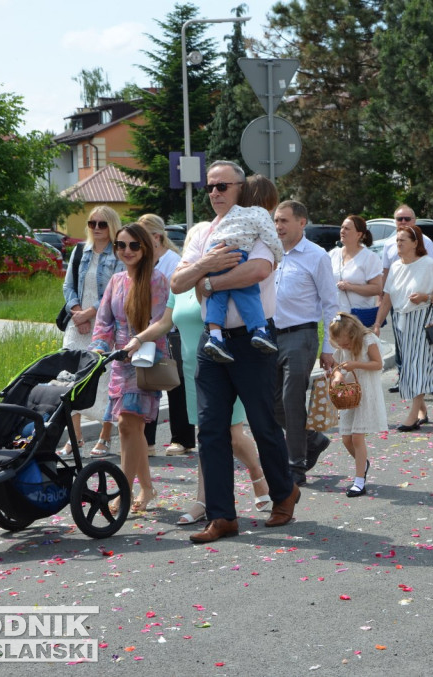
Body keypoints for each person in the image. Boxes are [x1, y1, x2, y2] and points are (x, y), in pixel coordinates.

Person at [171, 159, 300, 542]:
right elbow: (178, 282)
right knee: (209, 427)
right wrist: (206, 264)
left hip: (252, 339)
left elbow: (259, 270)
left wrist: (208, 282)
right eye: (210, 187)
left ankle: (283, 491)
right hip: (212, 343)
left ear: (240, 189)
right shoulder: (199, 233)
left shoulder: (255, 225)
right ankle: (222, 516)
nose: (214, 193)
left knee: (262, 423)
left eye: (223, 186)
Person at [170, 223, 270, 525]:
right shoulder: (185, 282)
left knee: (228, 433)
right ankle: (245, 484)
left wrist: (210, 277)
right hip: (190, 366)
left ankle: (222, 492)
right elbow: (166, 320)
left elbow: (224, 303)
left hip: (220, 359)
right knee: (211, 433)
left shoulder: (215, 283)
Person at [90, 223, 171, 513]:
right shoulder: (116, 281)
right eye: (121, 245)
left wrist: (135, 344)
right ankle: (147, 489)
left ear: (145, 248)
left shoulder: (158, 280)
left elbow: (160, 322)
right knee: (130, 430)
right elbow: (103, 321)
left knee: (127, 424)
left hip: (145, 359)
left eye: (134, 245)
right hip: (118, 362)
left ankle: (123, 493)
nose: (127, 251)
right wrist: (99, 347)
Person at [272, 200, 340, 485]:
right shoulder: (270, 253)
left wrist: (328, 349)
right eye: (276, 220)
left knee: (291, 399)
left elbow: (330, 305)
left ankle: (296, 464)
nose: (278, 226)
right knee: (271, 401)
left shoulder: (316, 256)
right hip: (269, 335)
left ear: (302, 222)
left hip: (301, 335)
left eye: (284, 221)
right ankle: (312, 439)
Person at [374, 224, 433, 431]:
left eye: (402, 240)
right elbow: (387, 299)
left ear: (414, 243)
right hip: (402, 323)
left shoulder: (428, 264)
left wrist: (425, 297)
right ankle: (422, 410)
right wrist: (377, 324)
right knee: (410, 367)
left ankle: (412, 417)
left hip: (424, 320)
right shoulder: (395, 267)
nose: (398, 244)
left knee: (417, 366)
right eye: (397, 241)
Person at [59, 206, 123, 458]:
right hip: (77, 324)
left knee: (105, 380)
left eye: (102, 224)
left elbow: (114, 292)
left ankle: (105, 436)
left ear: (112, 226)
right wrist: (77, 313)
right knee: (69, 377)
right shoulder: (78, 251)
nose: (96, 228)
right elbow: (68, 285)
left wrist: (89, 314)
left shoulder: (120, 254)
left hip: (106, 324)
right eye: (92, 223)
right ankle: (75, 437)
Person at [198, 181, 284, 363]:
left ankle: (215, 336)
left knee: (217, 297)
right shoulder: (260, 212)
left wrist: (209, 258)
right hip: (236, 252)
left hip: (215, 250)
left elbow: (216, 232)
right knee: (247, 291)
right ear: (269, 200)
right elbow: (271, 237)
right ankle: (260, 331)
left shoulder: (232, 211)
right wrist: (278, 256)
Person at [134, 213, 194, 457]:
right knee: (147, 383)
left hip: (170, 331)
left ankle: (182, 439)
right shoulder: (143, 261)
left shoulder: (173, 261)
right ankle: (147, 441)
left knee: (175, 383)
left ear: (156, 237)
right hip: (147, 329)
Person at [328, 312, 387, 497]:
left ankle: (359, 481)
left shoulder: (367, 339)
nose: (344, 347)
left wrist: (356, 365)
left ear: (353, 335)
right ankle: (363, 464)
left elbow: (378, 364)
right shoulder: (342, 346)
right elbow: (338, 368)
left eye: (345, 344)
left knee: (357, 437)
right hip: (351, 392)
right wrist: (337, 377)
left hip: (366, 391)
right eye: (341, 345)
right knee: (346, 439)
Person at [329, 215, 382, 327]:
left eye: (347, 229)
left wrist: (351, 287)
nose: (342, 231)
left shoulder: (369, 257)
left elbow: (377, 289)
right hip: (336, 317)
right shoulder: (333, 254)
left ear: (359, 234)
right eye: (342, 227)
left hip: (358, 320)